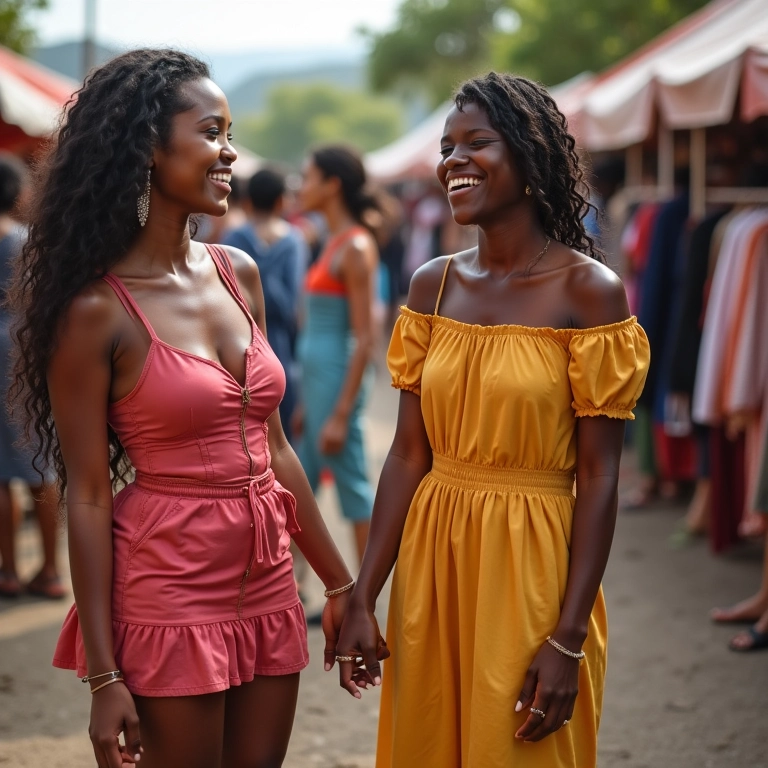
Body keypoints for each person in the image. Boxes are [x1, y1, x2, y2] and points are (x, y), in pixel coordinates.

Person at [7, 50, 371, 768]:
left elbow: (276, 450)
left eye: (229, 131)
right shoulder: (94, 311)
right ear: (146, 146)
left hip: (266, 577)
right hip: (167, 586)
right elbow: (85, 495)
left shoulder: (239, 274)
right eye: (211, 131)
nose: (229, 151)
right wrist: (104, 676)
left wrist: (342, 587)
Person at [336, 72, 650, 767]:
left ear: (531, 154)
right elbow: (408, 456)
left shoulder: (589, 292)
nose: (454, 160)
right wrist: (364, 595)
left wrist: (568, 635)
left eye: (477, 142)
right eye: (447, 147)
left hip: (533, 566)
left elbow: (600, 477)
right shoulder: (433, 285)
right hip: (433, 561)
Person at [294, 145, 379, 566]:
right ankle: (298, 586)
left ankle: (363, 594)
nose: (300, 186)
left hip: (336, 382)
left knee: (351, 483)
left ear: (332, 185)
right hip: (318, 386)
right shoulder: (332, 242)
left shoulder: (356, 247)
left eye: (307, 177)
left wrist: (342, 412)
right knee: (300, 485)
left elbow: (365, 338)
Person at [0, 153, 63, 600]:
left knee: (2, 474)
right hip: (22, 350)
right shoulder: (26, 239)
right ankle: (51, 570)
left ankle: (7, 572)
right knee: (41, 460)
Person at [223, 168, 307, 443]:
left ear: (247, 201)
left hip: (239, 340)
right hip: (279, 342)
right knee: (280, 425)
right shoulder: (293, 240)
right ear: (282, 201)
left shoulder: (233, 240)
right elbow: (294, 301)